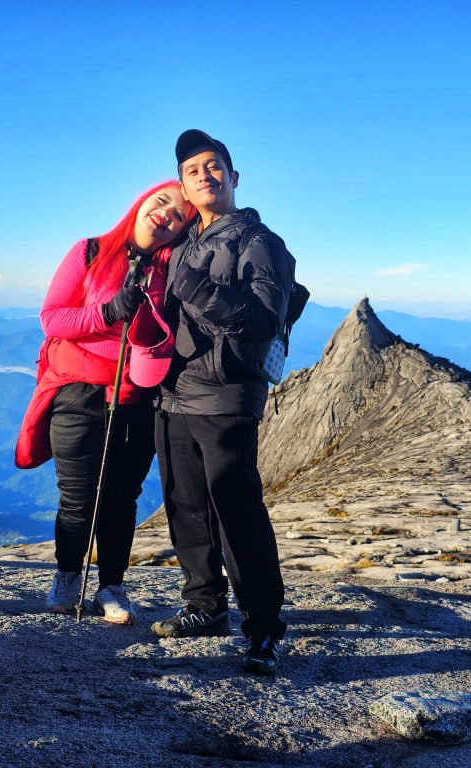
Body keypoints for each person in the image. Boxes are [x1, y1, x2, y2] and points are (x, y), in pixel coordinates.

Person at [15, 181, 193, 625]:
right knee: (77, 498)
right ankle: (68, 577)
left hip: (137, 395)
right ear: (143, 201)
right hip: (78, 392)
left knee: (121, 498)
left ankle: (111, 586)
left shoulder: (174, 272)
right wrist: (108, 313)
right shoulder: (90, 251)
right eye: (163, 201)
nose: (167, 214)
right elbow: (51, 317)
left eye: (180, 215)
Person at [151, 130, 295, 675]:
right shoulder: (183, 243)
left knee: (237, 510)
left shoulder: (260, 242)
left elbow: (264, 320)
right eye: (194, 171)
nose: (205, 177)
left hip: (227, 395)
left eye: (215, 167)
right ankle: (204, 606)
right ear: (185, 187)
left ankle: (262, 627)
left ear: (234, 178)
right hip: (173, 392)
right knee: (186, 505)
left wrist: (190, 286)